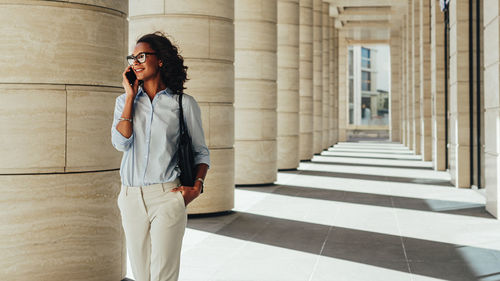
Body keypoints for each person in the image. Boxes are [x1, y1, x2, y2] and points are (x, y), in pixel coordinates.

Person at [111, 32, 210, 281]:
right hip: (131, 197)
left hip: (167, 196)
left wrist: (197, 187)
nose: (136, 61)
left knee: (162, 276)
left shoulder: (183, 104)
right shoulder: (124, 101)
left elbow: (201, 152)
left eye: (142, 55)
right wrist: (131, 97)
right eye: (133, 57)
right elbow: (120, 143)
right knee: (142, 275)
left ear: (161, 60)